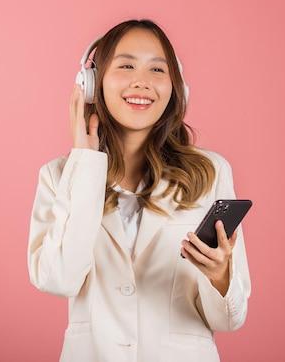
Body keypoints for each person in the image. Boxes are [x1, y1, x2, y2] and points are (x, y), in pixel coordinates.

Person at [27, 19, 250, 362]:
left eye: (157, 69)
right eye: (126, 65)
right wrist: (85, 159)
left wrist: (220, 274)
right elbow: (58, 278)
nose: (142, 82)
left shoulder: (210, 173)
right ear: (91, 84)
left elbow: (229, 319)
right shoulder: (60, 176)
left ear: (176, 89)